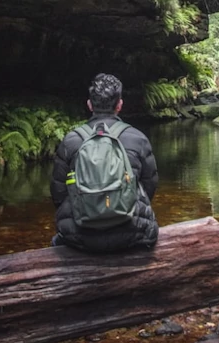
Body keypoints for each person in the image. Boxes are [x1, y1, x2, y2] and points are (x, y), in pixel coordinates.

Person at [50, 73, 159, 252]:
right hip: (132, 232)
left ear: (89, 105)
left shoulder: (71, 141)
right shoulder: (138, 139)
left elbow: (58, 193)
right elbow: (150, 185)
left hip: (79, 236)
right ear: (120, 105)